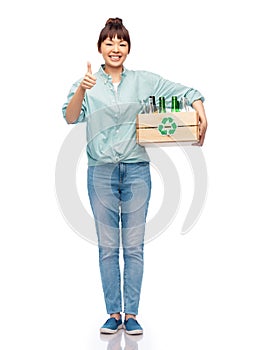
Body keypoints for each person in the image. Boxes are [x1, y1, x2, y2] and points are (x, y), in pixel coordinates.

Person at [62, 17, 207, 335]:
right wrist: (80, 93)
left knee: (134, 245)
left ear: (128, 49)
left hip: (137, 171)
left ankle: (132, 315)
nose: (116, 48)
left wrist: (200, 108)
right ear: (100, 48)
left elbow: (187, 91)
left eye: (122, 43)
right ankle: (113, 313)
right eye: (110, 42)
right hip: (99, 172)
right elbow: (70, 117)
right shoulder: (87, 82)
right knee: (108, 246)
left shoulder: (144, 81)